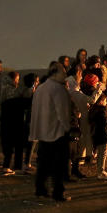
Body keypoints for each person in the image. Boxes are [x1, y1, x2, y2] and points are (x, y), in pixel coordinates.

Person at [29, 62, 72, 202]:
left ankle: (40, 188)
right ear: (55, 73)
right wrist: (67, 128)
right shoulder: (58, 89)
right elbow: (63, 113)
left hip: (43, 132)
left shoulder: (40, 88)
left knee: (44, 163)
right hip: (57, 132)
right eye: (63, 73)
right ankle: (58, 193)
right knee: (58, 164)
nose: (65, 76)